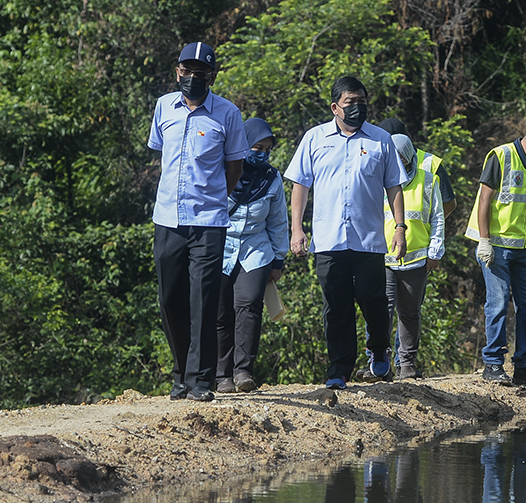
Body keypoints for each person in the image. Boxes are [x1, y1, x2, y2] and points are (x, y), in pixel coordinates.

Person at [284, 76, 407, 390]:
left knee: (373, 300)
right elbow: (300, 185)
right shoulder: (315, 138)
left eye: (362, 102)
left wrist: (400, 228)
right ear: (335, 107)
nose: (357, 108)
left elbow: (394, 186)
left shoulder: (381, 140)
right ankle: (338, 369)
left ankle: (379, 349)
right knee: (336, 307)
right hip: (328, 240)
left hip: (368, 240)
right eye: (351, 103)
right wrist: (296, 229)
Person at [148, 42, 250, 402]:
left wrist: (214, 198)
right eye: (186, 71)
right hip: (168, 218)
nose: (192, 78)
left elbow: (234, 167)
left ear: (212, 76)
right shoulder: (164, 107)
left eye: (200, 72)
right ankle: (180, 374)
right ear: (177, 71)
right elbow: (161, 152)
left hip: (208, 220)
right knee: (170, 297)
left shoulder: (227, 114)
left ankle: (201, 380)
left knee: (204, 299)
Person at [466, 117, 526, 386]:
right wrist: (484, 240)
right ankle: (493, 364)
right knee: (497, 304)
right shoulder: (501, 156)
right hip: (497, 247)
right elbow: (485, 198)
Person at [216, 117, 289, 394]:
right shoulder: (223, 170)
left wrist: (278, 260)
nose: (261, 153)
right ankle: (221, 375)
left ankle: (243, 370)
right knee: (221, 312)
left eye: (266, 149)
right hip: (221, 248)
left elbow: (277, 221)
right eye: (256, 147)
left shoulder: (271, 179)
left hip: (256, 251)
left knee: (248, 306)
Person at [383, 133, 445, 380]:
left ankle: (406, 364)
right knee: (381, 311)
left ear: (408, 156)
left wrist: (435, 251)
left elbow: (437, 217)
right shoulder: (379, 180)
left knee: (409, 313)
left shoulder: (427, 180)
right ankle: (379, 363)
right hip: (384, 259)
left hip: (417, 260)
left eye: (399, 157)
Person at [376, 118, 457, 217]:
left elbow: (448, 202)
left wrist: (431, 227)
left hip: (419, 232)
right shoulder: (374, 163)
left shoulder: (430, 162)